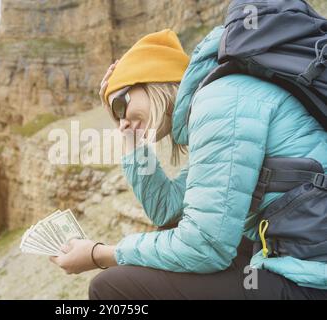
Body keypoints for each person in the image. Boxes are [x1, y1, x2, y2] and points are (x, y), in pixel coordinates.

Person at [49, 27, 327, 300]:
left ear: (152, 78)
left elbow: (205, 246)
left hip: (309, 278)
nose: (121, 121)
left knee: (109, 287)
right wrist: (130, 137)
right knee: (167, 235)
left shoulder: (220, 102)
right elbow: (167, 211)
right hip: (295, 258)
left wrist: (100, 254)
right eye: (114, 115)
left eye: (120, 106)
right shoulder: (219, 100)